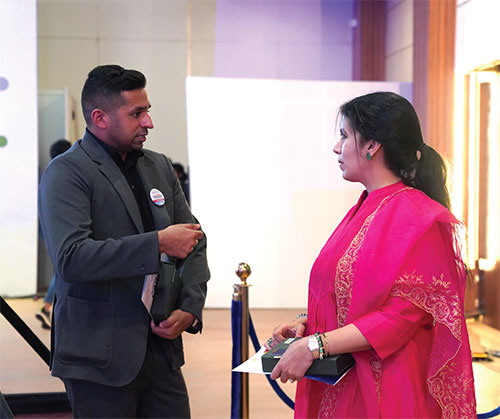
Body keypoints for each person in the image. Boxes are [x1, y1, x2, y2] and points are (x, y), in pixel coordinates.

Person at [266, 92, 476, 418]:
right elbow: (352, 294)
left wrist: (315, 345)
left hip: (384, 389)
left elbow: (401, 316)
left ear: (372, 145)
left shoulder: (419, 217)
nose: (336, 147)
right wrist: (306, 325)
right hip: (341, 380)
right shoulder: (366, 205)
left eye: (344, 136)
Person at [38, 65, 210, 418]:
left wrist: (190, 308)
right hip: (97, 357)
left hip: (161, 352)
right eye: (136, 113)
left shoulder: (159, 166)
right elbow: (71, 258)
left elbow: (193, 240)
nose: (149, 122)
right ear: (100, 118)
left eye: (148, 111)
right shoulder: (66, 172)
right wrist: (156, 243)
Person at [36, 139, 72, 330]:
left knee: (61, 268)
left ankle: (47, 306)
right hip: (60, 228)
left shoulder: (49, 173)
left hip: (47, 227)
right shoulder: (63, 173)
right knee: (63, 269)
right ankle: (47, 307)